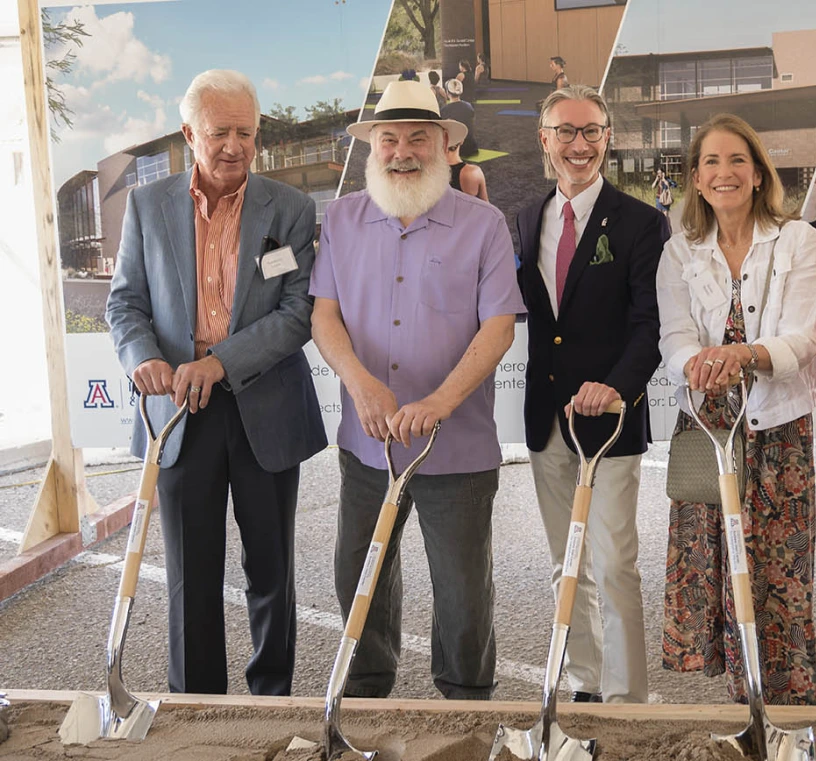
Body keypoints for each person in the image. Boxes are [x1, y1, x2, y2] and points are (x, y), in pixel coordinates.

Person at [105, 69, 327, 696]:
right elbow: (125, 305)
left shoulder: (291, 209)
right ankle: (196, 707)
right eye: (218, 132)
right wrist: (141, 356)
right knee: (189, 573)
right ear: (188, 134)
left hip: (267, 409)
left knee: (271, 570)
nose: (233, 145)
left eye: (245, 133)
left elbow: (297, 311)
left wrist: (221, 361)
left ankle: (271, 700)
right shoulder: (148, 208)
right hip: (177, 412)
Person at [310, 80, 524, 700]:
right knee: (361, 575)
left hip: (456, 448)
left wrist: (439, 403)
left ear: (445, 147)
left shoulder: (483, 225)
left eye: (418, 139)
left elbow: (499, 325)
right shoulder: (343, 219)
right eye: (389, 139)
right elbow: (324, 317)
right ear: (373, 147)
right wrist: (361, 386)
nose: (403, 151)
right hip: (368, 442)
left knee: (461, 589)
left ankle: (465, 708)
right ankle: (367, 696)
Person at [656, 113, 816, 705]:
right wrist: (693, 364)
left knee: (777, 577)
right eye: (711, 163)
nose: (724, 172)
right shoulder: (680, 253)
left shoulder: (797, 240)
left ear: (758, 173)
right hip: (708, 431)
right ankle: (742, 703)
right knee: (716, 567)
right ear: (697, 181)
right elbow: (674, 335)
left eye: (736, 161)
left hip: (776, 434)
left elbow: (803, 339)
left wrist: (741, 354)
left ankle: (785, 714)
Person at [517, 84, 668, 704]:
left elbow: (649, 326)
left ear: (607, 137)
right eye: (566, 131)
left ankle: (625, 698)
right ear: (544, 139)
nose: (579, 145)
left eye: (592, 131)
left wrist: (617, 388)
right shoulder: (526, 219)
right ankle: (583, 681)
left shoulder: (641, 223)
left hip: (608, 421)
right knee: (566, 564)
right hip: (545, 420)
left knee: (612, 563)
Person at [442, 78, 479, 158]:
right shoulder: (469, 106)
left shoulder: (445, 110)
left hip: (458, 150)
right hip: (472, 147)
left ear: (447, 93)